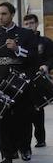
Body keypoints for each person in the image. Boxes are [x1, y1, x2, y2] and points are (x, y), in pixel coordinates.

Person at [22, 13, 53, 148]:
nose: (29, 26)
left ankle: (40, 139)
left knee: (38, 109)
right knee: (24, 112)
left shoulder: (45, 42)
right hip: (24, 80)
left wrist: (47, 65)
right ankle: (23, 144)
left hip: (39, 79)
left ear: (37, 24)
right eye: (27, 24)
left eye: (32, 23)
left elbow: (52, 58)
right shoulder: (21, 41)